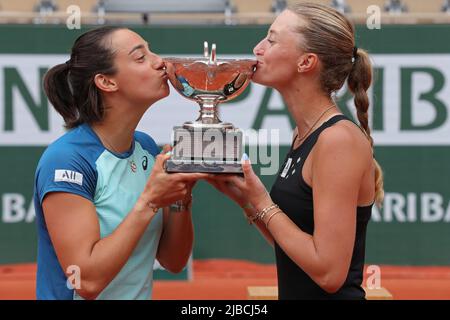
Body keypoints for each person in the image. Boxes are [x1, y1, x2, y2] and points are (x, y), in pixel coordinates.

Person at [207, 2, 384, 299]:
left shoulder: (337, 140)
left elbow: (328, 273)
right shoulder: (305, 134)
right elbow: (297, 250)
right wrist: (246, 202)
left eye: (272, 40)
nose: (258, 48)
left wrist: (261, 200)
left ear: (306, 62)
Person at [34, 26, 207, 300]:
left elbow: (173, 262)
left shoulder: (147, 149)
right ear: (107, 82)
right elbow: (86, 281)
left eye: (151, 51)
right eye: (140, 57)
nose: (159, 61)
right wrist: (150, 201)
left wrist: (180, 196)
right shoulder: (67, 159)